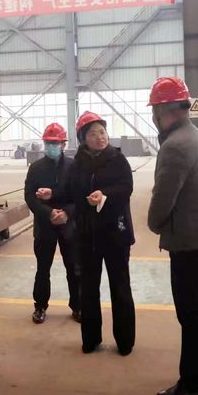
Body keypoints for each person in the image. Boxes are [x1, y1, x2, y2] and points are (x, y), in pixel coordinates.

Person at [146, 77, 198, 395]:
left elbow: (163, 198)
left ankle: (191, 382)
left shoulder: (175, 146)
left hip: (190, 242)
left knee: (191, 314)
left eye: (154, 110)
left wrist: (154, 224)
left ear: (163, 110)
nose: (154, 117)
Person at [68, 111, 136, 355]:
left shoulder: (117, 159)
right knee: (88, 288)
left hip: (116, 233)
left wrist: (105, 195)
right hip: (88, 235)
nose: (100, 137)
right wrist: (51, 196)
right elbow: (71, 192)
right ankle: (91, 339)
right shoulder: (78, 164)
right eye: (93, 134)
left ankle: (125, 341)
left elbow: (126, 187)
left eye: (102, 132)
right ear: (83, 139)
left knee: (120, 286)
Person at [24, 123, 81, 324]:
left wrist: (67, 213)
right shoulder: (36, 168)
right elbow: (29, 197)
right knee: (43, 268)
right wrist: (48, 213)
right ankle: (40, 306)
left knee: (74, 267)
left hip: (69, 225)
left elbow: (79, 196)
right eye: (48, 143)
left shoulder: (73, 167)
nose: (51, 146)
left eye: (55, 143)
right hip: (44, 225)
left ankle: (78, 306)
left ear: (63, 144)